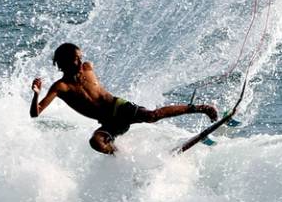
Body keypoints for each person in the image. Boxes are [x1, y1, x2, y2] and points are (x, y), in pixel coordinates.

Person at [31, 43, 216, 155]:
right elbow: (35, 113)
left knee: (152, 116)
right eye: (75, 60)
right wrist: (36, 94)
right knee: (96, 142)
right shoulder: (61, 87)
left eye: (81, 58)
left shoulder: (87, 67)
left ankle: (201, 108)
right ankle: (123, 158)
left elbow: (88, 63)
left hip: (119, 107)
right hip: (110, 123)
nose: (80, 63)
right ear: (63, 63)